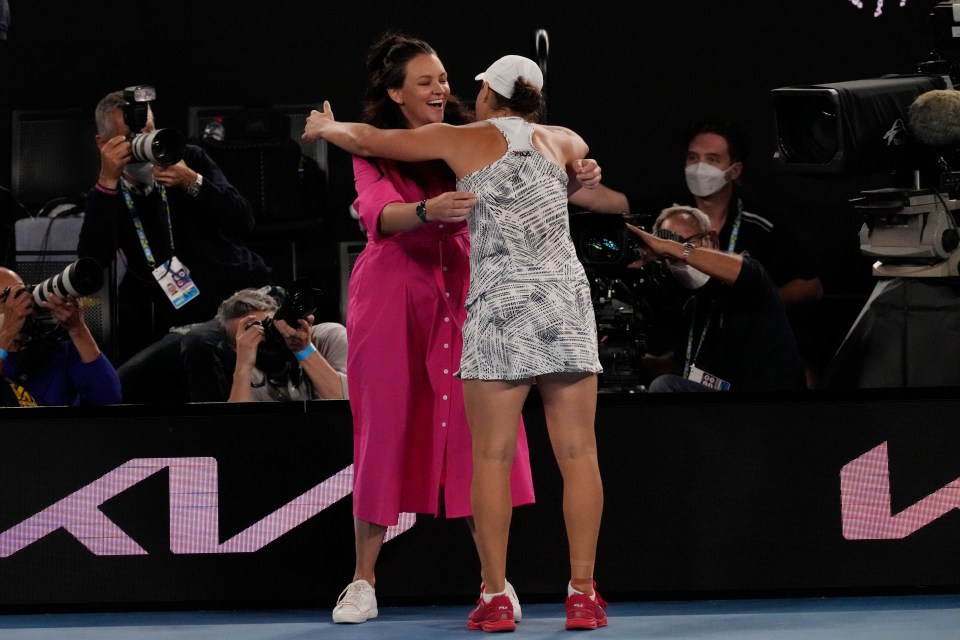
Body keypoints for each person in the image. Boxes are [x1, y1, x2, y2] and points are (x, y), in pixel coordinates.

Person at [305, 53, 608, 631]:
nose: (446, 89)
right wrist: (578, 173)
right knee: (579, 454)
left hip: (499, 307)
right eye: (431, 81)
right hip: (564, 304)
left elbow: (368, 138)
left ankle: (495, 597)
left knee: (488, 456)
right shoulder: (566, 138)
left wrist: (325, 129)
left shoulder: (461, 139)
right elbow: (558, 177)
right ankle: (584, 593)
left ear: (490, 96)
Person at [77, 88, 272, 403]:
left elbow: (243, 220)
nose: (145, 142)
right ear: (103, 144)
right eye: (131, 137)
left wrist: (192, 181)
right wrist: (107, 182)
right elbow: (92, 260)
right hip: (177, 320)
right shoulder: (107, 194)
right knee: (123, 384)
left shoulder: (189, 158)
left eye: (149, 131)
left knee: (198, 345)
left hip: (238, 300)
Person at [625, 205, 806, 392]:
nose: (676, 256)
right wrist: (629, 359)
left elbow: (741, 269)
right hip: (723, 407)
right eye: (667, 255)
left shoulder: (752, 280)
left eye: (687, 243)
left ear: (712, 240)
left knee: (664, 386)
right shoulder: (690, 304)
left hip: (773, 406)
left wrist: (671, 247)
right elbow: (681, 368)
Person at [0, 266, 121, 406]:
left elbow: (109, 400)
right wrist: (7, 333)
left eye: (22, 293)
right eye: (7, 298)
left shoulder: (61, 350)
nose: (21, 304)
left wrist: (78, 330)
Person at [216, 287, 347, 402]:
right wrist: (243, 366)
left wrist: (304, 350)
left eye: (268, 328)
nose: (267, 340)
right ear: (236, 348)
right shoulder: (249, 373)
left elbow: (349, 402)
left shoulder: (329, 337)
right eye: (250, 337)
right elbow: (236, 427)